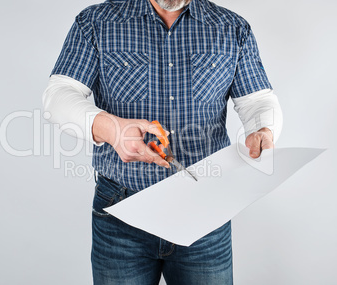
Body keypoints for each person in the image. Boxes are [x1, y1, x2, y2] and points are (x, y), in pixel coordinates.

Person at [42, 0, 283, 284]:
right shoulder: (96, 22)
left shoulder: (232, 28)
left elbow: (257, 100)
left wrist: (262, 129)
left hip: (205, 210)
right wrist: (112, 130)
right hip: (121, 215)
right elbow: (58, 95)